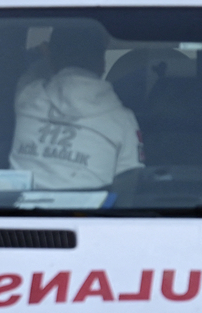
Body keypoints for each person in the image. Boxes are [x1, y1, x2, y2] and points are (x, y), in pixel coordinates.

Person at [10, 23, 142, 190]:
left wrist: (46, 56)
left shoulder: (27, 96)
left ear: (51, 58)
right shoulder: (123, 121)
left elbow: (36, 70)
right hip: (87, 215)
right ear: (102, 64)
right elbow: (128, 182)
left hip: (17, 213)